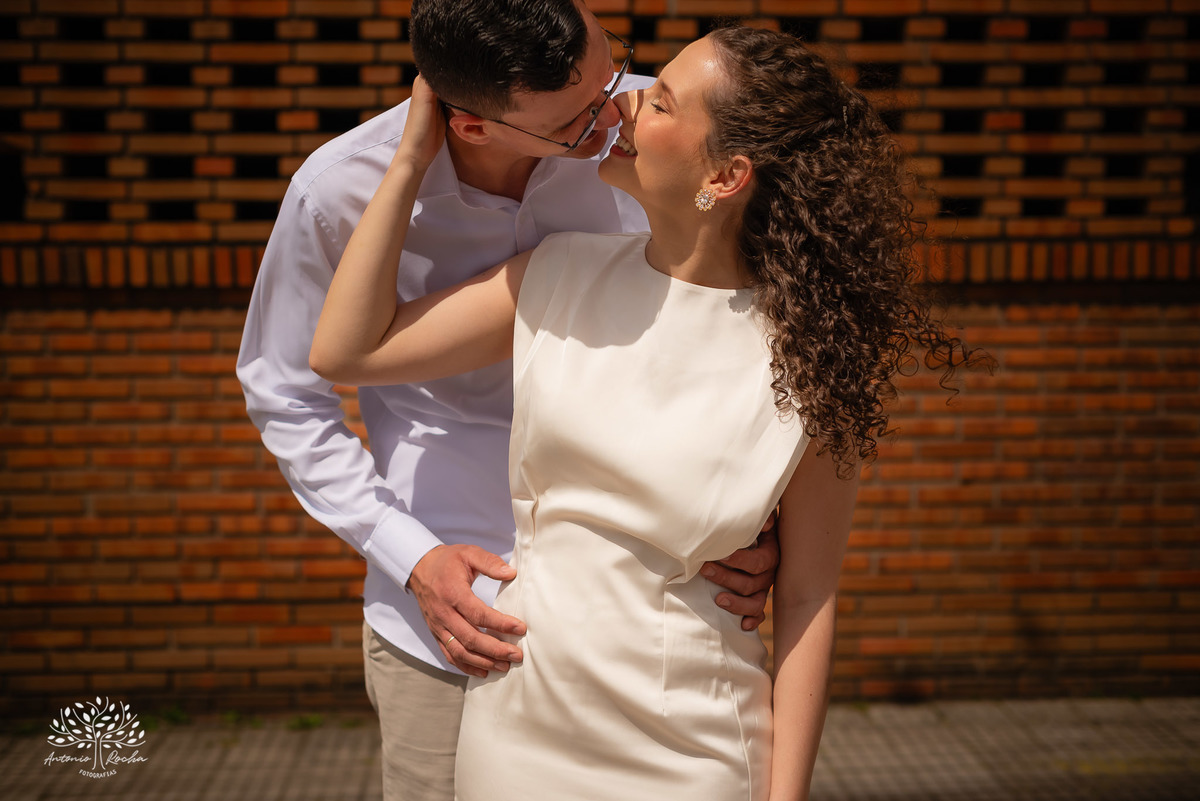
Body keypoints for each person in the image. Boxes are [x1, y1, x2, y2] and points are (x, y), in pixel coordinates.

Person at [310, 24, 987, 801]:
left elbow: (807, 599)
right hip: (518, 731)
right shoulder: (556, 271)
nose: (625, 108)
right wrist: (408, 161)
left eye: (659, 101)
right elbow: (345, 353)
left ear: (724, 175)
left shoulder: (808, 359)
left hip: (691, 749)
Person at [236, 2, 778, 799]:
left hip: (641, 606)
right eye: (579, 118)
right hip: (454, 614)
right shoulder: (335, 192)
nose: (615, 111)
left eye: (612, 70)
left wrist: (758, 522)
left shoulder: (642, 137)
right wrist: (405, 551)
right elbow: (288, 389)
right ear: (474, 125)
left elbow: (731, 332)